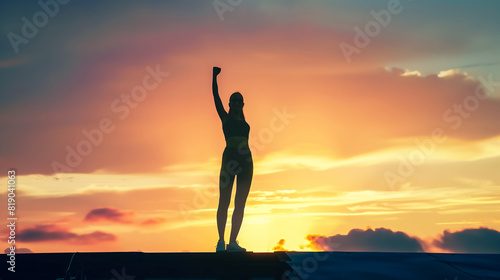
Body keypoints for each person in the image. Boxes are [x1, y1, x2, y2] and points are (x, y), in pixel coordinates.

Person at [212, 66, 253, 252]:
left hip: (246, 162)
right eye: (234, 100)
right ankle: (221, 241)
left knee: (240, 203)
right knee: (224, 200)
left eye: (239, 101)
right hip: (230, 159)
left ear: (243, 104)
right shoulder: (226, 119)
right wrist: (214, 77)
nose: (236, 103)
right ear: (230, 104)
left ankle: (233, 242)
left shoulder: (245, 122)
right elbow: (215, 97)